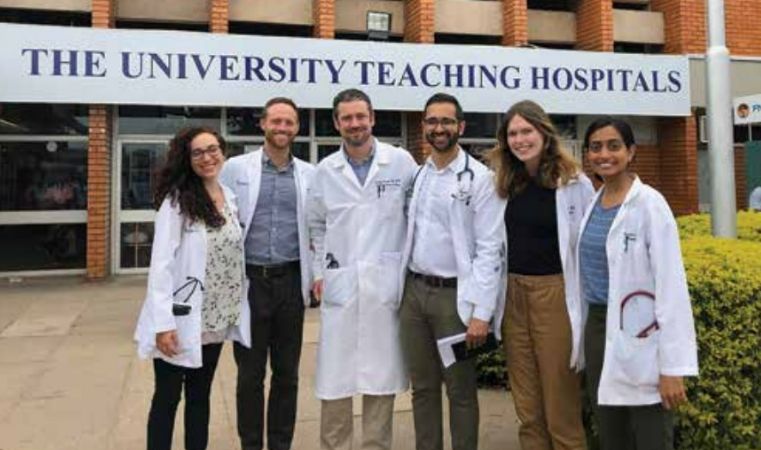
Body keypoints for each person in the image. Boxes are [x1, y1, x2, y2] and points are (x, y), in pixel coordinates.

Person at [578, 117, 698, 450]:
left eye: (614, 146)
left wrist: (673, 367)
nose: (604, 154)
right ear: (587, 154)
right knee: (610, 431)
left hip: (642, 334)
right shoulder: (593, 202)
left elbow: (671, 288)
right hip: (599, 330)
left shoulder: (650, 204)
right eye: (596, 147)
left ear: (631, 152)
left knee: (649, 434)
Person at [308, 88, 418, 450]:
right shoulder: (326, 171)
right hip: (341, 284)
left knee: (380, 380)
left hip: (384, 286)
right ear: (337, 123)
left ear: (372, 118)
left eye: (361, 116)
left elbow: (417, 217)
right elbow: (316, 226)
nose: (355, 124)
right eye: (347, 118)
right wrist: (320, 274)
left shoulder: (400, 163)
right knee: (336, 380)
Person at [400, 93, 506, 450]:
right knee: (423, 388)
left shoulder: (480, 179)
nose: (439, 128)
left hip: (454, 300)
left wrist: (482, 313)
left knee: (460, 390)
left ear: (460, 127)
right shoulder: (419, 175)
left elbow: (490, 249)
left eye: (446, 121)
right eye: (432, 121)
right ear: (424, 127)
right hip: (414, 295)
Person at [134, 126, 249, 450]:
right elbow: (161, 266)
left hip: (214, 318)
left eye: (212, 149)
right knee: (168, 397)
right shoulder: (177, 202)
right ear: (187, 159)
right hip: (180, 316)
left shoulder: (230, 198)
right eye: (197, 152)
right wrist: (163, 323)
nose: (207, 157)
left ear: (223, 152)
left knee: (201, 396)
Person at [487, 100, 593, 450]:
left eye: (526, 131)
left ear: (544, 133)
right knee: (527, 405)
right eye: (513, 133)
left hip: (555, 295)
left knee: (560, 401)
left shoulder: (573, 183)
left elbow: (589, 247)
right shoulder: (502, 183)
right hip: (513, 295)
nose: (520, 140)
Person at [220, 97, 315, 450]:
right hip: (250, 283)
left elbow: (317, 229)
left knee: (287, 375)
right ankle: (250, 445)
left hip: (290, 282)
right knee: (249, 376)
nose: (282, 128)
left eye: (289, 122)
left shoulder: (309, 174)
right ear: (262, 124)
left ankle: (280, 444)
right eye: (276, 121)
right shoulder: (235, 168)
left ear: (297, 128)